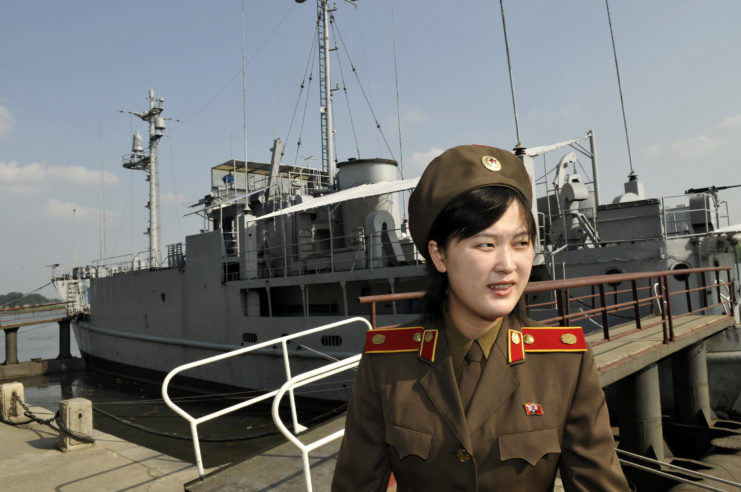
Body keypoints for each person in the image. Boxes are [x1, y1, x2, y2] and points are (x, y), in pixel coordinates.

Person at [332, 145, 630, 491]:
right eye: (485, 245)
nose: (507, 265)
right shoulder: (387, 363)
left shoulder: (564, 363)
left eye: (520, 243)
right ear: (439, 255)